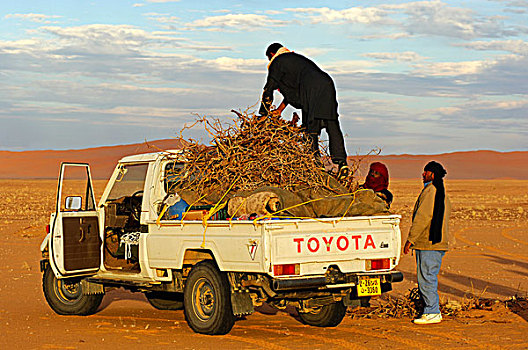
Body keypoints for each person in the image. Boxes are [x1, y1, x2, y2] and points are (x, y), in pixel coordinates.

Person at [259, 42, 348, 177]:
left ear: (272, 54)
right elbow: (294, 91)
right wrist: (280, 110)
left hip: (310, 90)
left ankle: (314, 163)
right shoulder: (296, 60)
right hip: (327, 84)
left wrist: (263, 114)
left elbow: (269, 88)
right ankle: (341, 163)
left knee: (310, 128)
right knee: (332, 124)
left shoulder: (277, 62)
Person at [404, 161, 451, 325]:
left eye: (426, 172)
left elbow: (422, 218)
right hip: (435, 243)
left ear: (432, 174)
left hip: (429, 244)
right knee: (428, 276)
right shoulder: (440, 192)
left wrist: (411, 239)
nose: (423, 174)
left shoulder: (431, 191)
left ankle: (432, 311)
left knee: (426, 278)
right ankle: (430, 309)